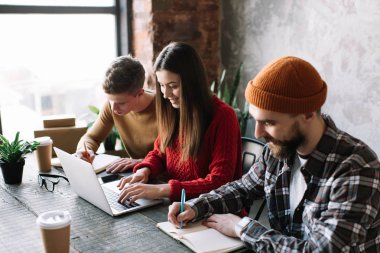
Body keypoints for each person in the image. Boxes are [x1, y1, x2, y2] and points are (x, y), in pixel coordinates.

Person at [167, 56, 380, 252]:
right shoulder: (278, 149)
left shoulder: (357, 169)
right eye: (255, 120)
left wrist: (243, 227)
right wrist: (197, 206)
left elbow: (319, 251)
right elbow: (243, 189)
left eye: (269, 122)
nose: (258, 134)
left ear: (307, 114)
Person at [117, 42, 242, 203]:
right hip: (177, 205)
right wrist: (144, 171)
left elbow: (219, 182)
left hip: (213, 212)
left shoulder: (223, 116)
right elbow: (159, 153)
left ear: (192, 82)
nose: (166, 94)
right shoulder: (173, 109)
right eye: (162, 86)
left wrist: (161, 190)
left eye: (173, 86)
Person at [76, 56, 158, 173]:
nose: (114, 109)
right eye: (110, 100)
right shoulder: (112, 106)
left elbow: (179, 157)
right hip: (136, 174)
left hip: (166, 179)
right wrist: (85, 150)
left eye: (121, 103)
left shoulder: (165, 107)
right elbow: (92, 137)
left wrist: (141, 161)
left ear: (140, 93)